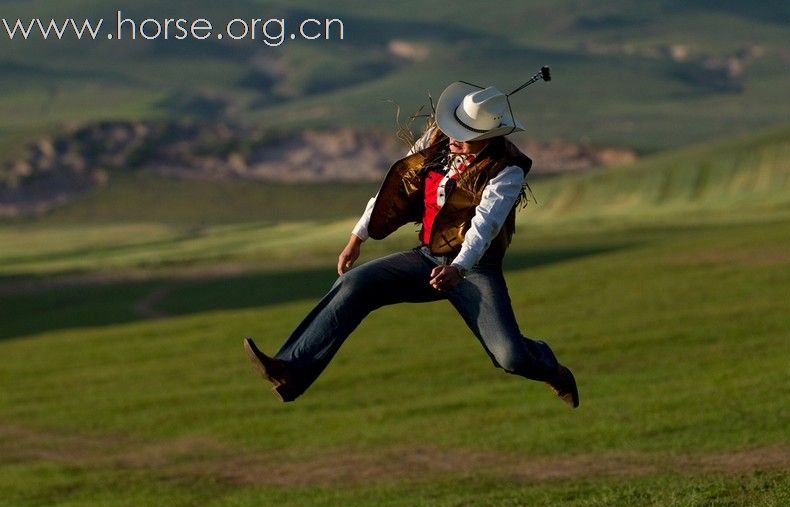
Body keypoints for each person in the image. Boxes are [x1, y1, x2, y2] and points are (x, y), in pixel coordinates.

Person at [243, 79, 579, 408]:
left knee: (510, 357)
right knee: (354, 284)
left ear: (490, 138)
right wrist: (357, 236)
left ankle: (552, 369)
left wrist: (459, 269)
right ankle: (290, 370)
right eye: (455, 131)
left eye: (467, 137)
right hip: (426, 256)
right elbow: (395, 186)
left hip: (475, 266)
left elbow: (485, 225)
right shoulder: (435, 140)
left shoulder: (508, 169)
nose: (455, 140)